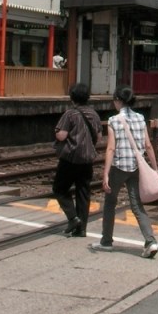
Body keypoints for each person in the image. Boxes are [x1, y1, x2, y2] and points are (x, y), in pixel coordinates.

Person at [92, 85, 158, 257]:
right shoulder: (140, 118)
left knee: (109, 203)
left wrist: (106, 173)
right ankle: (150, 241)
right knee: (137, 205)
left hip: (119, 167)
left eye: (114, 100)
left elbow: (110, 149)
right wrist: (155, 169)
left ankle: (106, 241)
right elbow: (148, 145)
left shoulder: (114, 120)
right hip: (137, 167)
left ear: (119, 101)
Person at [52, 82, 102, 237]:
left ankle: (73, 218)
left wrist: (57, 132)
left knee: (59, 189)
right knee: (83, 192)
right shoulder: (94, 114)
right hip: (87, 159)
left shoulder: (70, 114)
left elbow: (62, 135)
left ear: (72, 98)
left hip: (70, 158)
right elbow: (99, 137)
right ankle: (82, 229)